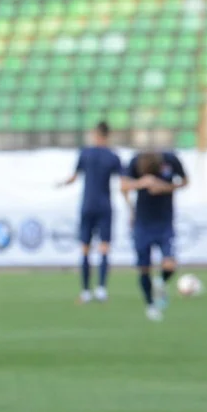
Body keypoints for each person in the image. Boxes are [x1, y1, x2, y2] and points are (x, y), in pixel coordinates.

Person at [58, 121, 123, 303]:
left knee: (85, 248)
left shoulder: (85, 153)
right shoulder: (113, 156)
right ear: (108, 135)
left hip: (87, 205)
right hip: (105, 206)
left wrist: (61, 183)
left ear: (95, 134)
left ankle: (86, 291)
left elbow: (73, 177)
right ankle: (101, 289)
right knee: (104, 248)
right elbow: (124, 181)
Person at [121, 149, 188, 321]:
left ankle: (160, 283)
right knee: (144, 267)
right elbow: (123, 186)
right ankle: (150, 305)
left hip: (164, 221)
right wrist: (140, 184)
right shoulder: (135, 161)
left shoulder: (171, 160)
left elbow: (185, 182)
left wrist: (165, 187)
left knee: (169, 264)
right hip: (142, 223)